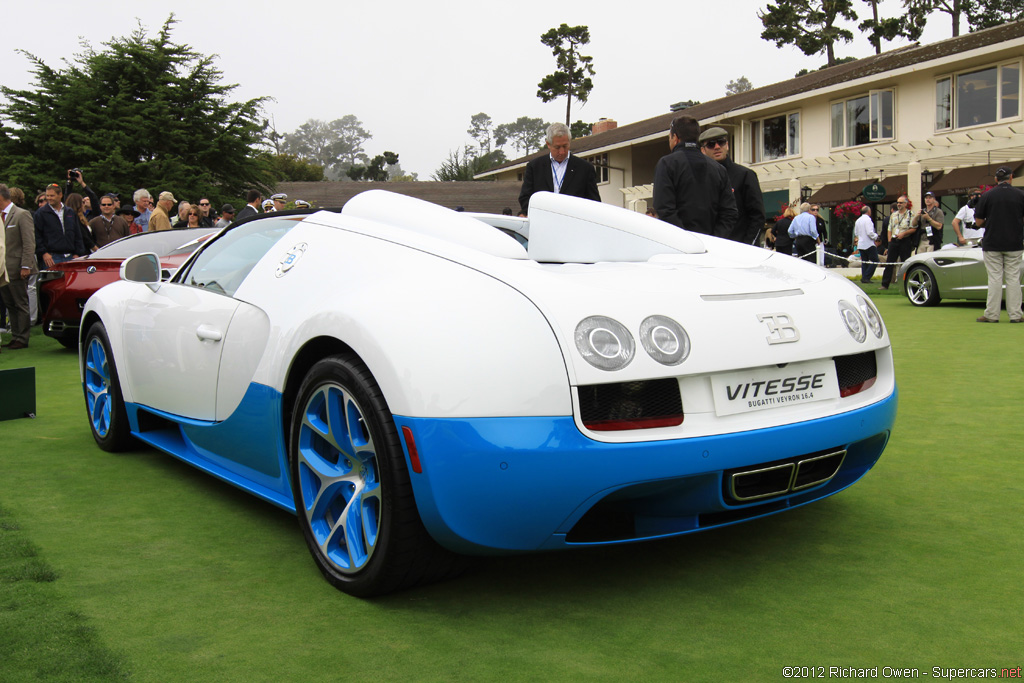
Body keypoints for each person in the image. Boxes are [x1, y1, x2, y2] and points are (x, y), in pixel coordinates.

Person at [652, 115, 737, 237]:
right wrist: (715, 239)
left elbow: (664, 208)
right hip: (712, 246)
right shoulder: (719, 169)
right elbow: (729, 212)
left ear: (675, 137)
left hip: (679, 244)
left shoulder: (667, 164)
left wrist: (686, 238)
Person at [972, 166, 1024, 323]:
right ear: (1011, 177)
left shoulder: (987, 196)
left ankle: (992, 315)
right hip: (1014, 242)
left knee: (994, 278)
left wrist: (993, 220)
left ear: (996, 179)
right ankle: (1015, 315)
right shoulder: (1020, 195)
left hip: (992, 242)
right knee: (1013, 278)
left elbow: (979, 221)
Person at [698, 127, 765, 244]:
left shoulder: (745, 175)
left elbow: (757, 216)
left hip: (739, 248)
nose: (717, 147)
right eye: (711, 144)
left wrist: (748, 245)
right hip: (711, 248)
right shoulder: (699, 179)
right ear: (703, 150)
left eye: (721, 142)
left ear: (727, 145)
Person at [518, 122, 601, 215]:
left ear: (570, 141)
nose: (562, 152)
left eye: (565, 146)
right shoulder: (534, 167)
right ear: (548, 144)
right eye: (557, 147)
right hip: (544, 221)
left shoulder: (585, 169)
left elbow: (594, 204)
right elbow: (525, 198)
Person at [1, 184, 37, 349]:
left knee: (20, 303)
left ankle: (22, 338)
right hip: (3, 268)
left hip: (17, 266)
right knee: (9, 303)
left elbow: (29, 243)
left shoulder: (21, 215)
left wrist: (25, 265)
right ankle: (15, 336)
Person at [35, 183, 86, 268]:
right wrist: (44, 253)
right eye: (47, 196)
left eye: (52, 195)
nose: (49, 198)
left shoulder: (70, 212)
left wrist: (78, 253)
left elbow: (77, 234)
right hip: (52, 258)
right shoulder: (41, 213)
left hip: (71, 256)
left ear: (60, 195)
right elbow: (37, 235)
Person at [878, 195, 915, 290]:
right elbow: (889, 228)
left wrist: (904, 234)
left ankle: (906, 284)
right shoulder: (894, 215)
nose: (898, 204)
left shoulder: (910, 214)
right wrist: (890, 240)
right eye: (898, 202)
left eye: (901, 203)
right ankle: (885, 284)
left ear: (905, 204)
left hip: (905, 240)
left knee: (905, 263)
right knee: (889, 263)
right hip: (894, 241)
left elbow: (913, 229)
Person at [854, 205, 880, 283]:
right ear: (868, 211)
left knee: (864, 261)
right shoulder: (868, 220)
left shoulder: (858, 220)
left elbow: (856, 232)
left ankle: (864, 277)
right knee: (875, 260)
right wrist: (876, 236)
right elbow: (869, 232)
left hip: (861, 243)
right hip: (868, 243)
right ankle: (867, 276)